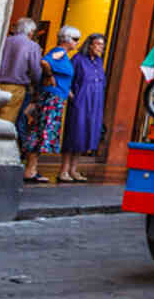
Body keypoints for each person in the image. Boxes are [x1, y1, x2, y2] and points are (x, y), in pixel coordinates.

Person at [22, 26, 81, 184]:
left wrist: (66, 90)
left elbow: (60, 75)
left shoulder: (65, 56)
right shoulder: (60, 52)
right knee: (42, 131)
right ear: (67, 39)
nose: (77, 43)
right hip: (51, 98)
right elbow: (44, 62)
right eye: (75, 39)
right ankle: (30, 169)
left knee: (41, 131)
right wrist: (49, 76)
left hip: (55, 96)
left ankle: (31, 169)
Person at [59, 33, 106, 182]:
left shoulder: (98, 61)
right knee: (74, 134)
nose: (101, 48)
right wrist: (73, 96)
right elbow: (66, 79)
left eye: (102, 45)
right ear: (90, 45)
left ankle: (74, 170)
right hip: (80, 102)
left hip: (95, 103)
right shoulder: (78, 60)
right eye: (98, 44)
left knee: (85, 135)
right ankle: (64, 171)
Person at [0, 19, 41, 130]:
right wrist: (37, 87)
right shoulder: (32, 46)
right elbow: (35, 70)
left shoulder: (4, 41)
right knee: (6, 121)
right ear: (30, 32)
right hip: (16, 87)